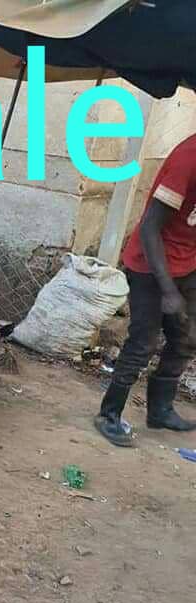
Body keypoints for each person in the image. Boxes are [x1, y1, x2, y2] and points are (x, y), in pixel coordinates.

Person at [94, 134, 196, 447]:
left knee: (186, 337)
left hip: (188, 261)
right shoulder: (188, 158)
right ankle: (109, 414)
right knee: (143, 343)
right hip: (149, 262)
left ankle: (160, 410)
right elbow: (151, 226)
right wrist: (168, 290)